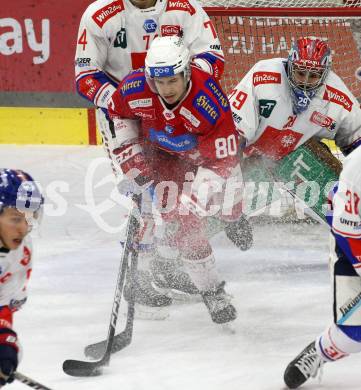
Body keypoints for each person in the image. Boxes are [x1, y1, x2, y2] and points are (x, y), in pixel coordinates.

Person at [75, 0, 227, 309]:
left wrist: (179, 89)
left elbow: (213, 56)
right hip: (125, 121)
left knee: (178, 199)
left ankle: (167, 268)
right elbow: (85, 76)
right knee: (142, 196)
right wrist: (129, 99)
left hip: (176, 118)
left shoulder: (185, 9)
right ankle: (140, 279)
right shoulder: (99, 15)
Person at [108, 35, 245, 324]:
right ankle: (162, 282)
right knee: (171, 221)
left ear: (185, 73)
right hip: (159, 156)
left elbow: (224, 159)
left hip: (202, 161)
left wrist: (194, 197)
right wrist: (131, 158)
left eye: (173, 80)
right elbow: (118, 114)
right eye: (160, 81)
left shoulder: (208, 99)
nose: (166, 88)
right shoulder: (134, 87)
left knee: (202, 212)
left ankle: (214, 282)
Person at [283, 144, 361, 388]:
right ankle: (320, 350)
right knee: (354, 336)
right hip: (350, 240)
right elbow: (346, 229)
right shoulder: (358, 166)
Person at [229, 36, 361, 160]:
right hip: (246, 156)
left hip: (290, 166)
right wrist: (232, 171)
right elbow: (232, 132)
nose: (305, 82)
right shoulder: (262, 76)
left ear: (325, 75)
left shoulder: (339, 96)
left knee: (323, 154)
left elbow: (356, 141)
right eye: (301, 73)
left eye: (313, 76)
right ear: (289, 66)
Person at [0, 169, 44, 387]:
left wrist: (4, 339)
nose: (24, 228)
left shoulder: (21, 252)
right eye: (16, 218)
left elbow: (2, 305)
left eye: (29, 218)